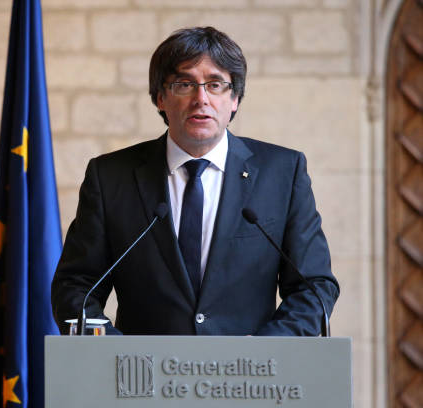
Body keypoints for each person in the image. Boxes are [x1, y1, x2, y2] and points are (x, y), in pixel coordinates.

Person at [51, 26, 339, 336]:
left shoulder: (283, 173)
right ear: (161, 97)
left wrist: (265, 353)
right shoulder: (110, 177)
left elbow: (314, 287)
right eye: (184, 84)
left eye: (215, 84)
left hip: (253, 379)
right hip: (139, 378)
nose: (201, 98)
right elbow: (75, 287)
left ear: (235, 99)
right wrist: (116, 353)